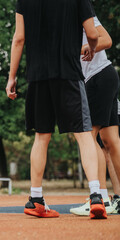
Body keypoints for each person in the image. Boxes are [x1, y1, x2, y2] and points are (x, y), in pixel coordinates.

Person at [6, 0, 106, 219]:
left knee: (41, 137)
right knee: (84, 135)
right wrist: (90, 46)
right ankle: (96, 196)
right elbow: (92, 32)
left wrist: (12, 77)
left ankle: (36, 199)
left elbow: (19, 38)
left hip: (38, 75)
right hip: (68, 73)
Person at [70, 18, 120, 216]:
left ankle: (101, 198)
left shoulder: (82, 12)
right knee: (110, 141)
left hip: (98, 77)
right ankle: (114, 196)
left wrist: (83, 48)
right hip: (106, 77)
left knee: (89, 138)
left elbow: (106, 39)